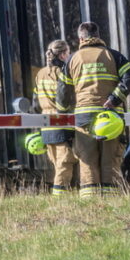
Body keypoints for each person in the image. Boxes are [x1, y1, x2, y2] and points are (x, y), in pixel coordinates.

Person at [61, 22, 130, 197]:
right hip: (110, 116)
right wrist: (114, 99)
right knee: (110, 157)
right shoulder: (114, 56)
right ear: (99, 35)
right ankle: (112, 198)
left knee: (87, 158)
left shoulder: (73, 58)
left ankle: (90, 200)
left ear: (81, 38)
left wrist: (63, 110)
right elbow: (129, 78)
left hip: (83, 116)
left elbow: (63, 91)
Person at [33, 39, 77, 196]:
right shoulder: (64, 72)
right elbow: (69, 97)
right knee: (65, 163)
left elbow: (35, 104)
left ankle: (64, 196)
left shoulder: (40, 73)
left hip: (46, 125)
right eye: (69, 52)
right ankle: (59, 198)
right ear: (63, 54)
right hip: (63, 124)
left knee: (58, 165)